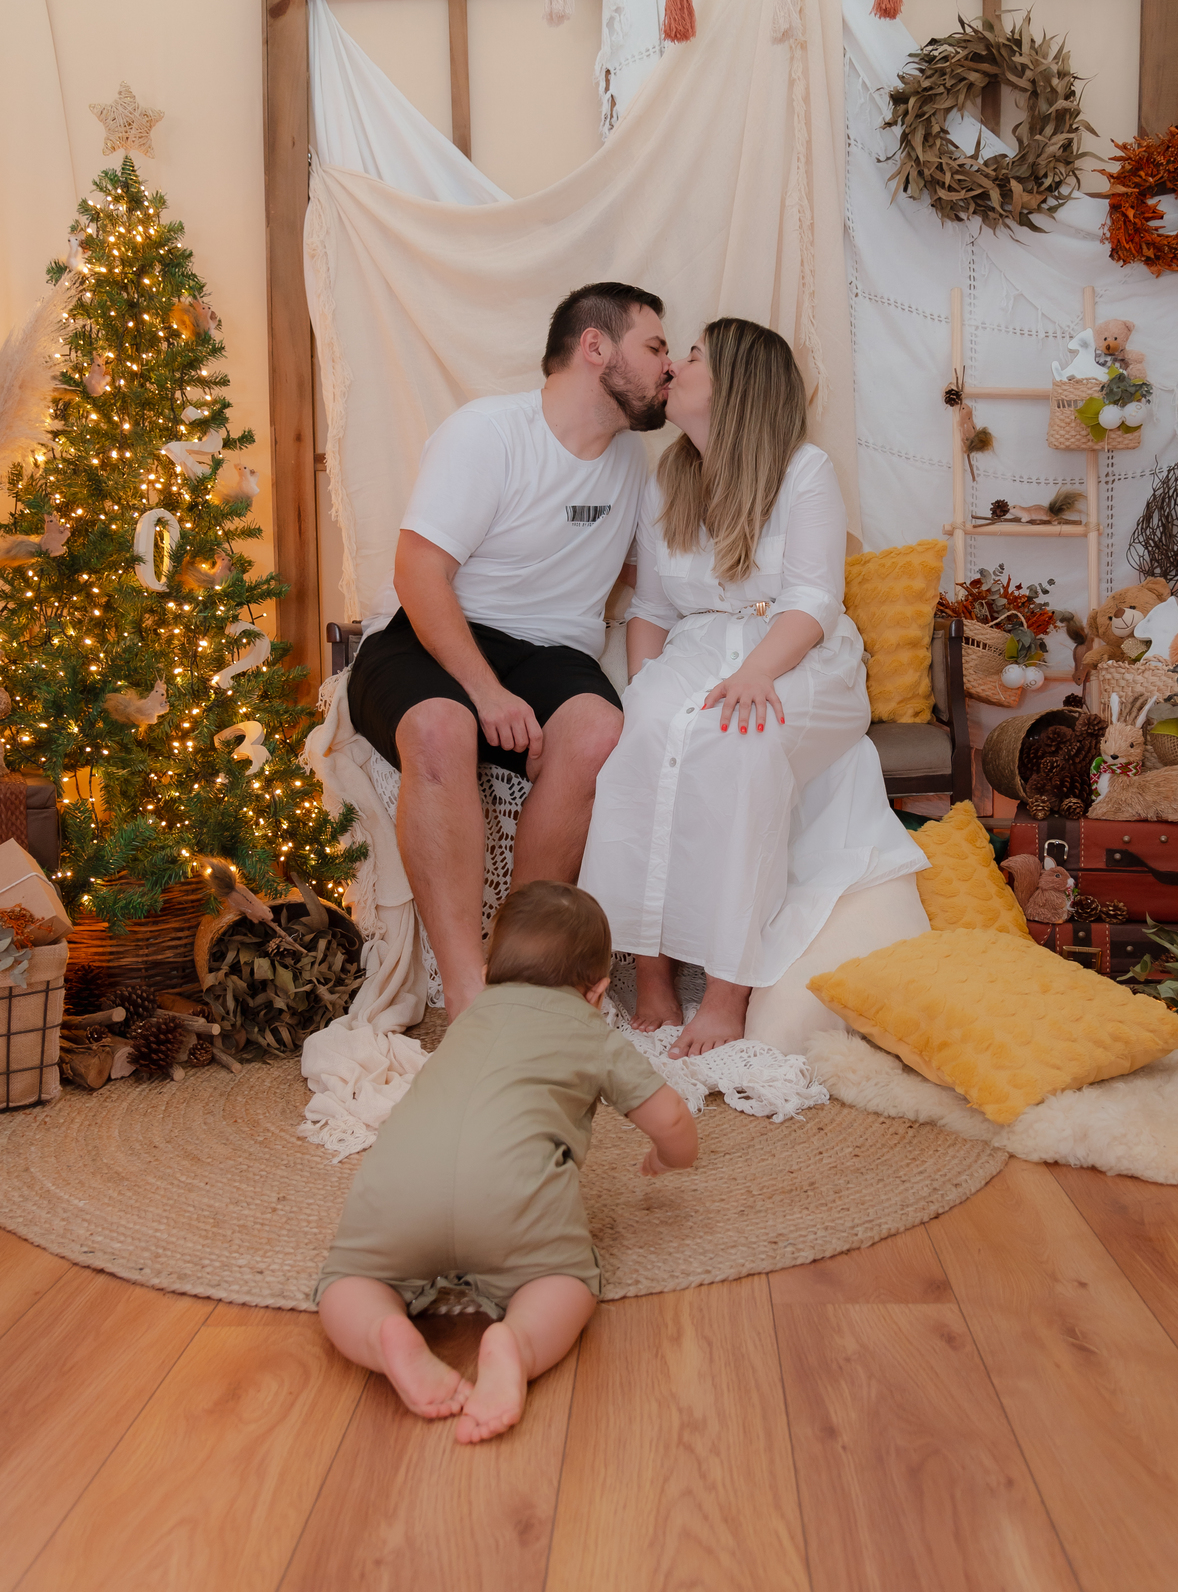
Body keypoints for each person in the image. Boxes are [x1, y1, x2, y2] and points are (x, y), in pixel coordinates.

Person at [578, 317, 923, 1058]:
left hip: (797, 654)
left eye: (693, 357)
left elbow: (813, 602)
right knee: (637, 737)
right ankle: (652, 969)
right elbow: (651, 610)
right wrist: (648, 689)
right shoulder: (667, 478)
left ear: (736, 384)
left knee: (742, 743)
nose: (673, 367)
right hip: (698, 649)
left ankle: (727, 988)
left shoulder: (804, 472)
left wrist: (758, 671)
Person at [347, 282, 672, 1018]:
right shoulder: (488, 433)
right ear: (596, 347)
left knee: (599, 731)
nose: (668, 366)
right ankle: (467, 994)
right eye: (654, 347)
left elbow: (651, 573)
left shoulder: (632, 463)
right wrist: (487, 692)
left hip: (552, 652)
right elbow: (418, 572)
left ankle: (520, 966)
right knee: (442, 727)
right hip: (431, 634)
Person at [315, 880, 697, 1444]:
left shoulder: (470, 1017)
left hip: (398, 1192)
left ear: (489, 972)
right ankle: (515, 1343)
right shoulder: (591, 1032)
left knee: (349, 1283)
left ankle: (381, 1330)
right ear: (596, 992)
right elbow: (671, 1120)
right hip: (511, 1207)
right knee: (561, 1284)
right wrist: (671, 1157)